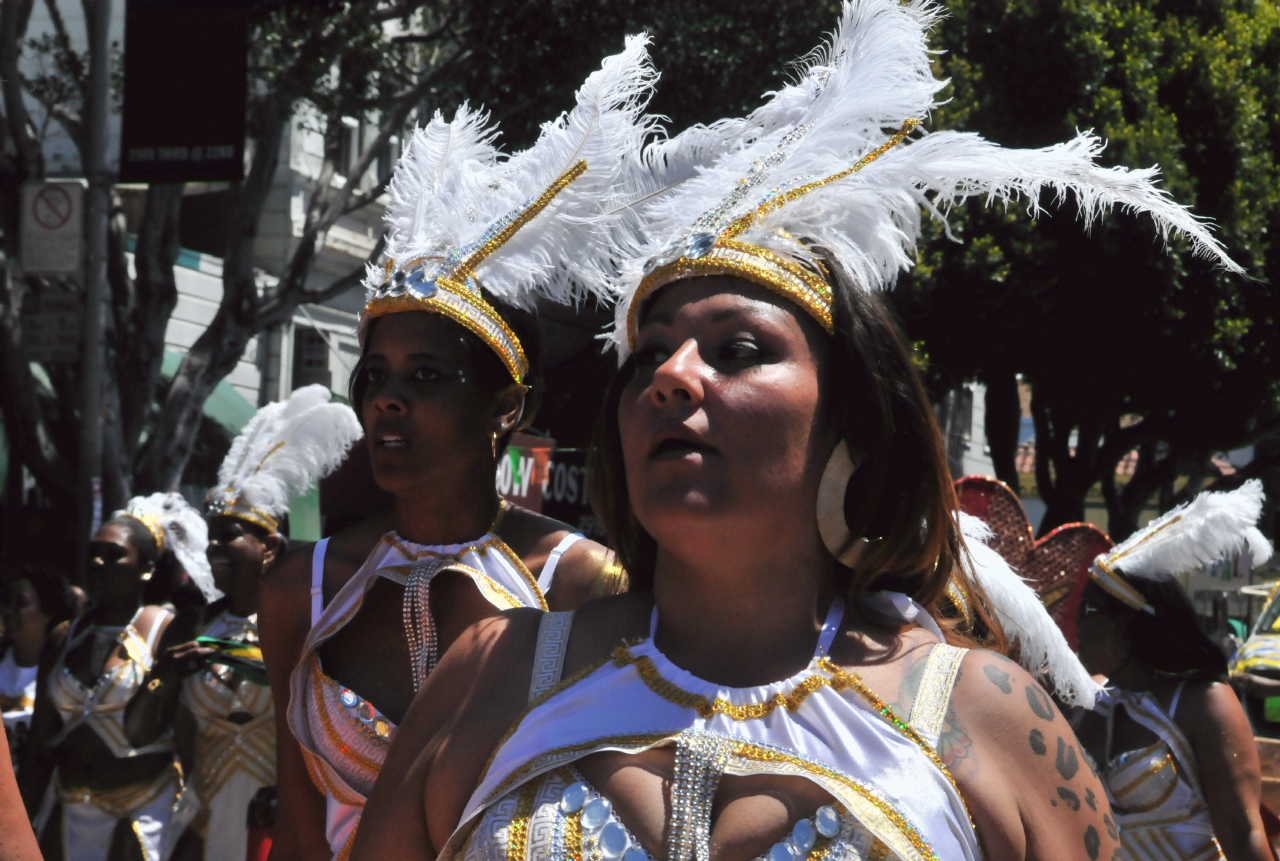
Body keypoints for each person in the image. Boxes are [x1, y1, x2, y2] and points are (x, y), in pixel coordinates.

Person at [352, 2, 1244, 859]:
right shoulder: (496, 674)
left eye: (738, 350)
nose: (671, 376)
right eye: (648, 355)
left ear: (852, 417)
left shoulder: (986, 715)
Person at [258, 39, 656, 861]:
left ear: (505, 408)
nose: (387, 397)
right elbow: (299, 819)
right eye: (374, 375)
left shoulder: (584, 582)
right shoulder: (306, 585)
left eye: (427, 374)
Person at [122, 386, 362, 861]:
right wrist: (162, 678)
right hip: (198, 831)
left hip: (278, 832)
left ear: (269, 546)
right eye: (209, 540)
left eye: (227, 537)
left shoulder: (309, 626)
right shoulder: (190, 625)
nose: (212, 550)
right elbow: (135, 733)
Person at [1073, 480, 1274, 861]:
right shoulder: (1089, 703)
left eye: (1088, 612)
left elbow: (1243, 831)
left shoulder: (1203, 703)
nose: (1077, 625)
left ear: (1124, 624)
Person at [20, 493, 218, 861]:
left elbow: (189, 733)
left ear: (146, 568)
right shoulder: (64, 636)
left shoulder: (165, 628)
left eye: (114, 554)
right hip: (64, 811)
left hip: (141, 815)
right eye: (94, 553)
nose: (99, 563)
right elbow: (38, 747)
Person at [2, 568, 76, 764]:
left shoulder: (64, 673)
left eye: (21, 604)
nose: (8, 611)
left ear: (48, 612)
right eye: (7, 603)